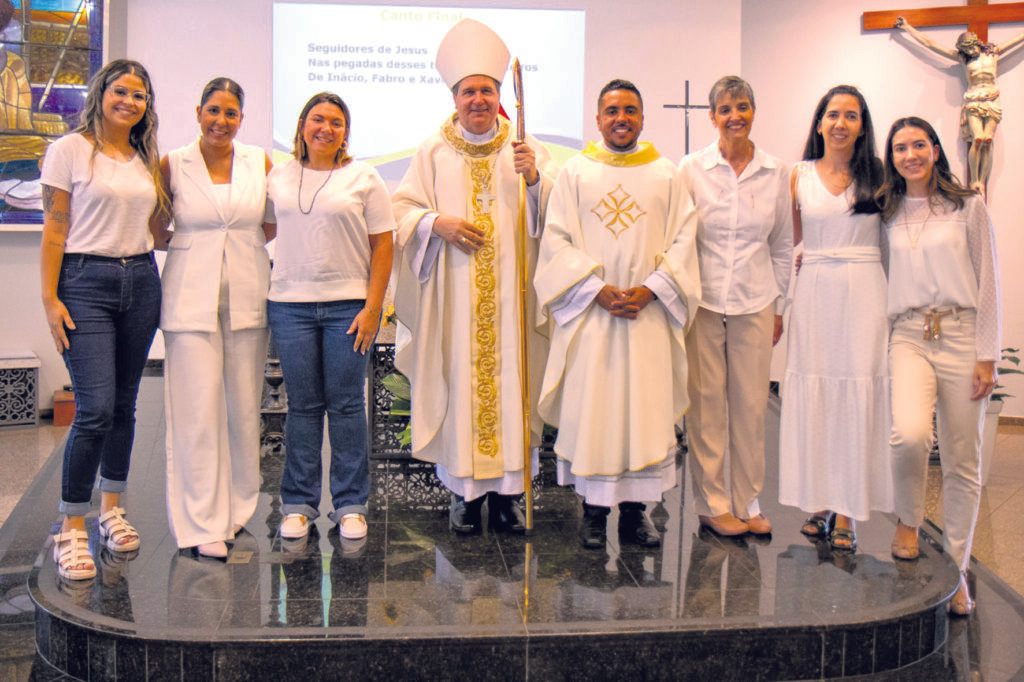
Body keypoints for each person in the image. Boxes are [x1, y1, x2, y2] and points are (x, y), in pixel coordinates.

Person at [391, 18, 557, 534]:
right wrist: (435, 222)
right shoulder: (433, 150)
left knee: (512, 389)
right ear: (454, 96)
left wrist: (536, 181)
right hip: (455, 299)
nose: (478, 100)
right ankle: (465, 495)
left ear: (499, 94)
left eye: (487, 90)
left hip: (514, 301)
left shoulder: (526, 147)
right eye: (469, 92)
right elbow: (402, 209)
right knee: (461, 386)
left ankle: (509, 496)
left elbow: (556, 216)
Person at [535, 79, 700, 550]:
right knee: (597, 411)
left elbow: (685, 241)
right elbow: (556, 240)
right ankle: (593, 512)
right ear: (598, 119)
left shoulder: (667, 174)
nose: (621, 118)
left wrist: (651, 290)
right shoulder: (576, 173)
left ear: (643, 118)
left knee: (643, 413)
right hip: (595, 315)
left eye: (630, 110)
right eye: (612, 111)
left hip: (646, 315)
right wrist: (596, 289)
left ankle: (634, 513)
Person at [40, 59, 166, 580]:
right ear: (102, 93)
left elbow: (159, 231)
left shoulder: (144, 158)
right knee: (92, 409)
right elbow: (54, 229)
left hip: (140, 280)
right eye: (121, 91)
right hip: (84, 281)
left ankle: (111, 508)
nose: (129, 102)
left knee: (123, 405)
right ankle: (70, 527)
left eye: (139, 95)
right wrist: (50, 299)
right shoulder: (69, 150)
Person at [877, 116, 1001, 615]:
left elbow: (989, 279)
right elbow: (872, 269)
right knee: (908, 434)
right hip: (908, 333)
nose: (910, 155)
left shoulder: (968, 206)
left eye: (919, 145)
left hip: (962, 334)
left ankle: (956, 572)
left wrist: (987, 355)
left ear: (934, 150)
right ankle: (907, 518)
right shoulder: (885, 212)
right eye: (900, 147)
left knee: (961, 459)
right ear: (892, 156)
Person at [152, 77, 274, 559]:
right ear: (198, 111)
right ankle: (201, 521)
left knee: (244, 405)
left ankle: (238, 508)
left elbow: (271, 221)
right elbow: (155, 227)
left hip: (249, 293)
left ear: (241, 118)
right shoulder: (173, 163)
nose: (221, 121)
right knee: (196, 410)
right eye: (214, 111)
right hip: (188, 296)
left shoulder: (260, 161)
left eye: (231, 113)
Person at [267, 92, 393, 544]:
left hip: (347, 306)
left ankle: (350, 505)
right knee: (302, 407)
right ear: (302, 126)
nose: (326, 128)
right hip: (290, 306)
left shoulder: (365, 177)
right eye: (318, 119)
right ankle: (299, 504)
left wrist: (373, 308)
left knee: (345, 406)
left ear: (346, 132)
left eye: (336, 122)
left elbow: (383, 244)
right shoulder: (278, 176)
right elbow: (264, 228)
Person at [778, 84, 892, 553]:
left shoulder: (880, 176)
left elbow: (893, 240)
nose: (840, 123)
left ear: (862, 125)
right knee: (817, 392)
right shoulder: (797, 175)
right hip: (816, 290)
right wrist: (782, 299)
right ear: (819, 122)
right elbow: (789, 240)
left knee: (857, 391)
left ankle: (849, 510)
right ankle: (819, 501)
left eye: (851, 115)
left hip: (866, 291)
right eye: (832, 114)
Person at [678, 75, 792, 537]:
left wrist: (779, 306)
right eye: (725, 109)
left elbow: (783, 245)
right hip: (703, 303)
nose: (735, 116)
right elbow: (680, 239)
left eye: (742, 106)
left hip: (754, 301)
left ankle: (748, 500)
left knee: (749, 405)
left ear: (753, 110)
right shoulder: (691, 169)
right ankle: (712, 502)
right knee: (706, 406)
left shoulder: (774, 172)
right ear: (712, 117)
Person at [894, 16, 1024, 198]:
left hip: (992, 99)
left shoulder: (993, 53)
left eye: (970, 47)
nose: (969, 51)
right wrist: (908, 27)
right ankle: (974, 181)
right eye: (965, 49)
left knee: (987, 140)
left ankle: (982, 180)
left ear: (976, 43)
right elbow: (931, 44)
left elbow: (1017, 40)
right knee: (978, 139)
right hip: (973, 99)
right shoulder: (963, 58)